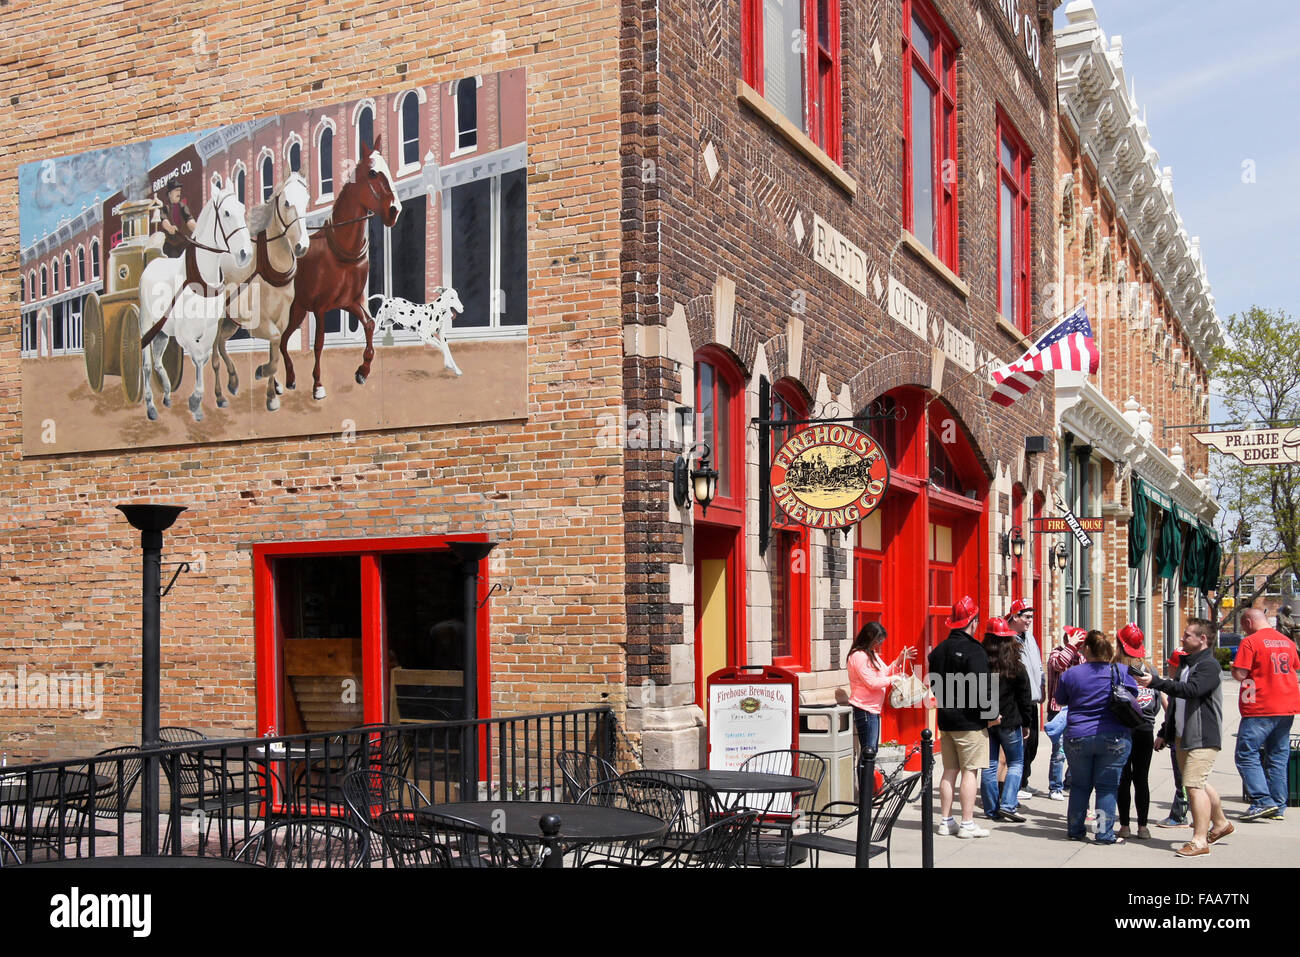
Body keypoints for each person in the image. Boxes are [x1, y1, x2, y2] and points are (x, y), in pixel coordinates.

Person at [1137, 618, 1232, 857]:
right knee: (1197, 782)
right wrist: (1164, 733)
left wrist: (1157, 683)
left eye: (1188, 635)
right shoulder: (1186, 664)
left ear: (1202, 639)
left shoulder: (1209, 666)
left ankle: (1200, 841)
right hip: (1182, 735)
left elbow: (1193, 691)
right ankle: (1220, 823)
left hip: (1202, 735)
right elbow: (1177, 704)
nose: (1182, 638)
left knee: (1192, 785)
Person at [1053, 630, 1137, 844]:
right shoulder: (1120, 670)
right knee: (1107, 787)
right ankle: (1103, 833)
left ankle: (1075, 829)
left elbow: (1060, 700)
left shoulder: (1070, 674)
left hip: (1078, 736)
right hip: (1114, 736)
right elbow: (1133, 696)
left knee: (1080, 786)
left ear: (1086, 649)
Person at [928, 595, 993, 838]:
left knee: (949, 770)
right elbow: (983, 687)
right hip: (970, 721)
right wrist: (991, 715)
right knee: (970, 771)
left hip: (945, 719)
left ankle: (946, 821)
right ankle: (967, 823)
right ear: (973, 621)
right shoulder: (974, 650)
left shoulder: (938, 651)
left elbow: (934, 685)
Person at [1231, 607, 1300, 821]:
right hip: (1286, 705)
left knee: (1246, 753)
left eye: (1243, 626)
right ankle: (1278, 805)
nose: (1243, 631)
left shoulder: (1251, 642)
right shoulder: (1287, 642)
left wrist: (1234, 669)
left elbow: (1241, 673)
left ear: (1249, 622)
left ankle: (1262, 800)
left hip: (1260, 706)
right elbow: (1295, 667)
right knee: (1278, 756)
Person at [981, 617, 1033, 823]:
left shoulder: (981, 663)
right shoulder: (1016, 666)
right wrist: (1027, 723)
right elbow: (1024, 697)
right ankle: (1008, 805)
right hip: (1011, 721)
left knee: (990, 765)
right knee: (1016, 762)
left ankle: (992, 809)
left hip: (987, 719)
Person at [1114, 624, 1160, 839]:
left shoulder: (1115, 669)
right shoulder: (1150, 670)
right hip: (1145, 729)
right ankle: (1143, 827)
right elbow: (1156, 702)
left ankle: (1124, 825)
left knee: (1123, 778)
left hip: (1121, 729)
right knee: (1142, 779)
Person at [845, 621, 917, 754]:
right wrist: (893, 679)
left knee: (872, 751)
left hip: (873, 709)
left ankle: (868, 775)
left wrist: (900, 659)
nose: (880, 644)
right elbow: (872, 682)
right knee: (869, 751)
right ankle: (865, 775)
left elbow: (887, 672)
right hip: (865, 708)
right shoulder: (858, 656)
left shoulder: (872, 654)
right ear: (869, 637)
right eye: (878, 640)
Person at [1007, 599, 1044, 802]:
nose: (1030, 620)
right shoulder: (1009, 639)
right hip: (1017, 699)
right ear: (1015, 616)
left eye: (1031, 616)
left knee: (1032, 743)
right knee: (1020, 743)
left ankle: (1025, 780)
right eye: (1027, 616)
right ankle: (1018, 783)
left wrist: (1042, 687)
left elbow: (1037, 664)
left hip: (1032, 698)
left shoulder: (1029, 638)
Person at [1045, 626, 1087, 800]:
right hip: (1058, 710)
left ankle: (1069, 782)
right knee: (1059, 752)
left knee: (1076, 751)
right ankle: (1055, 786)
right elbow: (1059, 665)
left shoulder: (1081, 658)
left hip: (1076, 710)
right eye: (1078, 642)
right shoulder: (1056, 653)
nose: (1080, 646)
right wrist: (1071, 647)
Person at [1154, 648, 1191, 828]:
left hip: (1183, 741)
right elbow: (1171, 716)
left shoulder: (1180, 688)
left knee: (1183, 781)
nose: (1168, 666)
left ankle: (1179, 816)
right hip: (1176, 737)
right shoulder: (1178, 685)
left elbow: (1173, 713)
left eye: (1171, 664)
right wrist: (1162, 734)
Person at [159, 180, 196, 258]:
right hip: (170, 245)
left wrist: (197, 229)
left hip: (182, 242)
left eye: (179, 190)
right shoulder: (165, 208)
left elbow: (189, 220)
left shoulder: (183, 207)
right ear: (169, 194)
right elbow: (164, 220)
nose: (178, 192)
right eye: (176, 190)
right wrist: (169, 227)